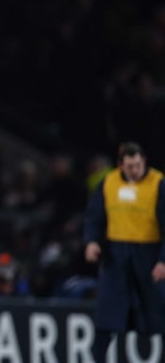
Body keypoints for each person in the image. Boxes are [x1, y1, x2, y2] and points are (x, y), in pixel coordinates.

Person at [83, 142, 165, 363]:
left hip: (148, 255)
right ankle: (97, 359)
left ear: (144, 161)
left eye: (138, 165)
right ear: (120, 165)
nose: (135, 170)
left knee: (158, 309)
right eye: (130, 166)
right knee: (107, 314)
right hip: (116, 255)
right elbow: (95, 217)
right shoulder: (108, 183)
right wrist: (92, 241)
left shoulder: (158, 183)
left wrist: (163, 261)